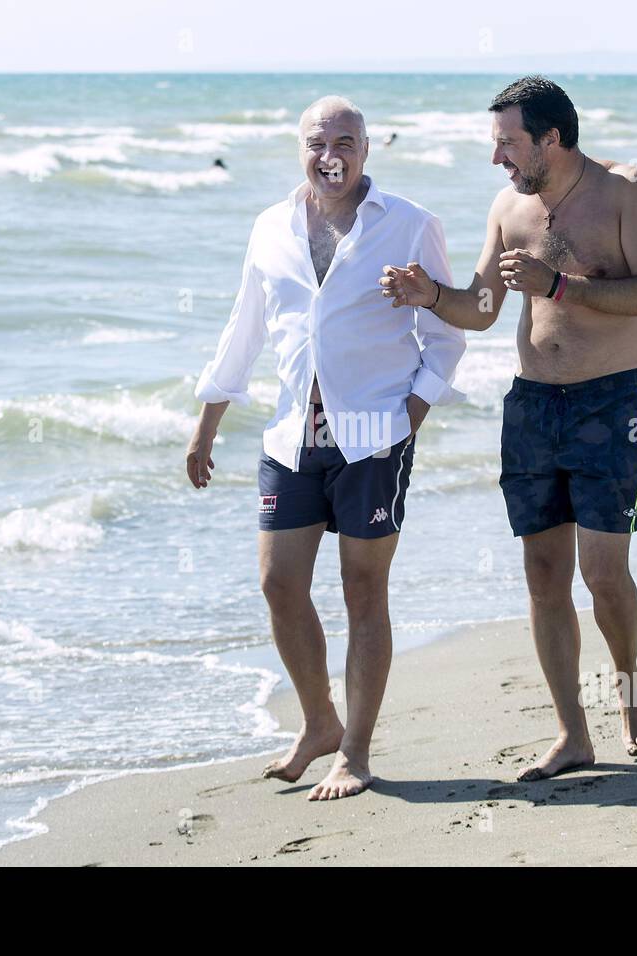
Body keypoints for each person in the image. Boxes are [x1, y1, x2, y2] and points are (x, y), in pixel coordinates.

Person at [381, 76, 637, 780]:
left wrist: (560, 286)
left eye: (507, 143)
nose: (496, 159)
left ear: (551, 137)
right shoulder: (508, 207)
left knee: (604, 573)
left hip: (612, 402)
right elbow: (482, 307)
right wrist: (433, 298)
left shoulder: (625, 190)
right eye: (494, 144)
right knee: (545, 575)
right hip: (534, 406)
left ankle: (629, 688)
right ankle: (573, 733)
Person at [186, 95, 466, 800]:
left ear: (367, 149)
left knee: (363, 591)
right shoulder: (270, 228)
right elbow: (244, 328)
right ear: (300, 150)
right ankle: (319, 723)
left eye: (344, 140)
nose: (329, 154)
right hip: (291, 436)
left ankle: (358, 753)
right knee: (280, 583)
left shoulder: (408, 225)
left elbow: (447, 333)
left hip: (375, 436)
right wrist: (207, 423)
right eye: (317, 142)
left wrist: (411, 414)